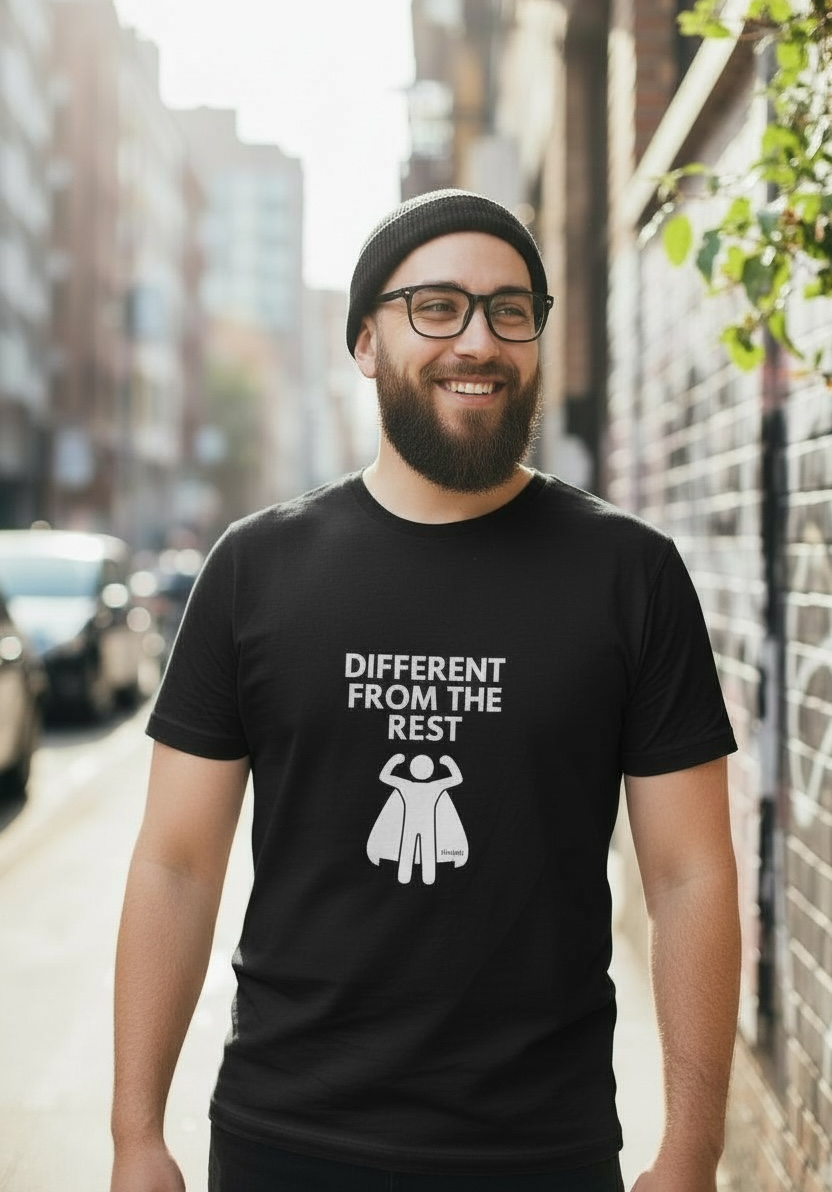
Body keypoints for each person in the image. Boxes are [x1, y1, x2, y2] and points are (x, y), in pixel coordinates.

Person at [109, 189, 741, 1192]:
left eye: (509, 311)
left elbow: (690, 875)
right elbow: (177, 866)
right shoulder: (254, 570)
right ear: (366, 341)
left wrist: (693, 1151)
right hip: (286, 1141)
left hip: (542, 1151)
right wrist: (136, 1134)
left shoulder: (630, 574)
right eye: (436, 307)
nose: (477, 340)